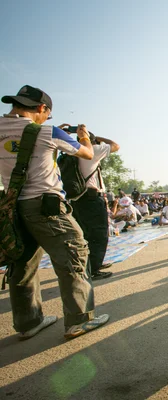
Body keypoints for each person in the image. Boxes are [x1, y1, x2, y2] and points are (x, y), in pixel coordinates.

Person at [0, 85, 109, 340]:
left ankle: (28, 322)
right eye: (45, 115)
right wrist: (82, 135)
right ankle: (79, 320)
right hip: (47, 206)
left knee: (22, 263)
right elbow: (87, 152)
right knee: (74, 255)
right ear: (41, 109)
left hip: (13, 208)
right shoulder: (50, 131)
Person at [71, 132, 120, 281]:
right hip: (92, 199)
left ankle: (90, 264)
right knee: (99, 235)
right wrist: (100, 139)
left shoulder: (70, 152)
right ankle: (94, 269)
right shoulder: (91, 150)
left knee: (85, 234)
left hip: (77, 198)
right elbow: (115, 146)